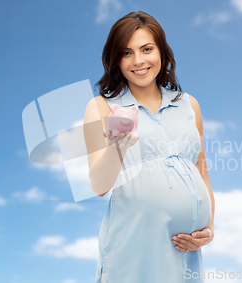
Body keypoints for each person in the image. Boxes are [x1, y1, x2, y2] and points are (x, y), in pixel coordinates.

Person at [83, 11, 215, 283]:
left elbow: (201, 174)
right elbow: (98, 187)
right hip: (134, 252)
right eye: (127, 52)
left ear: (162, 53)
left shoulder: (189, 105)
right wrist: (118, 147)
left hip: (184, 253)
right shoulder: (102, 107)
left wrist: (209, 229)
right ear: (115, 60)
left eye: (147, 49)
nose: (139, 61)